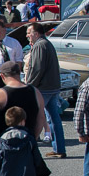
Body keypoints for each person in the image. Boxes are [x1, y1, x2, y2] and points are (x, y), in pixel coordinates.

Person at [24, 23, 64, 158]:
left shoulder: (40, 45)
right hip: (51, 87)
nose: (27, 36)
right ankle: (59, 149)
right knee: (53, 118)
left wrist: (29, 85)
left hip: (43, 88)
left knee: (36, 118)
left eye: (29, 33)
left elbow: (37, 68)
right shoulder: (46, 43)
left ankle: (30, 148)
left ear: (36, 33)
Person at [0, 62, 45, 141]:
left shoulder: (0, 94)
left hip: (6, 143)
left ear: (2, 75)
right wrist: (33, 138)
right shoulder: (35, 92)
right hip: (28, 141)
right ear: (19, 72)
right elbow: (41, 118)